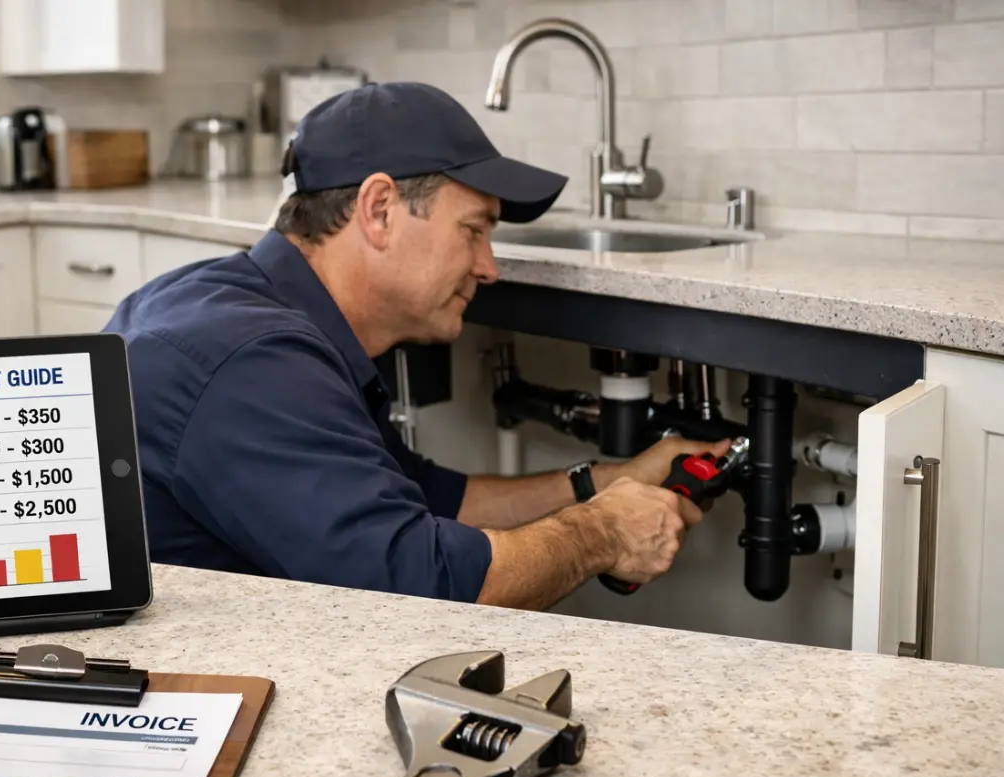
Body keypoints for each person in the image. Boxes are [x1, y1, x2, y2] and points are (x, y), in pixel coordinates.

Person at [103, 82, 728, 611]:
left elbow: (428, 500)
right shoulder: (253, 363)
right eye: (474, 230)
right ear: (379, 209)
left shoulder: (259, 308)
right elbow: (416, 585)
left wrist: (604, 480)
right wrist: (601, 532)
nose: (489, 267)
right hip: (174, 688)